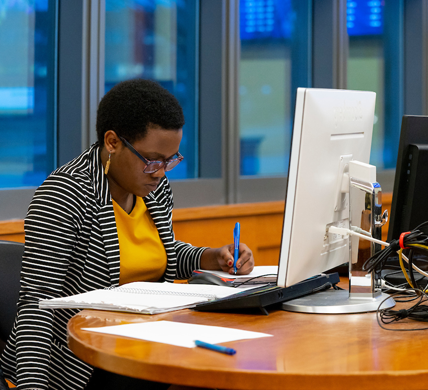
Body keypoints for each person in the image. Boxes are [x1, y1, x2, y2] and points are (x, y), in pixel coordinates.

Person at [0, 79, 254, 390]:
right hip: (86, 365)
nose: (161, 172)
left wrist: (210, 256)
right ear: (112, 142)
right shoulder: (65, 194)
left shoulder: (153, 189)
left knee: (230, 370)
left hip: (149, 345)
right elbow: (36, 305)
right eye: (152, 160)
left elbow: (162, 254)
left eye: (170, 160)